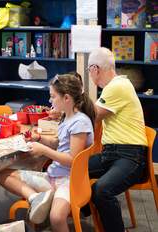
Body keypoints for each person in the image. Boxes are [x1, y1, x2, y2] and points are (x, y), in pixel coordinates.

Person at [0, 73, 95, 231]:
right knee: (3, 175)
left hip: (70, 181)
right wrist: (40, 139)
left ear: (67, 99)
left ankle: (42, 198)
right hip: (54, 177)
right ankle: (35, 198)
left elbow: (72, 160)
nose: (50, 101)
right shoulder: (67, 118)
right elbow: (59, 144)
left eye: (53, 97)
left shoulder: (80, 122)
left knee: (56, 217)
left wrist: (43, 150)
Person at [87, 47, 148, 232]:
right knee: (74, 170)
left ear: (95, 69)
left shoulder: (116, 87)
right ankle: (80, 212)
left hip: (130, 157)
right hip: (113, 154)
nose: (90, 74)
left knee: (102, 191)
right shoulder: (115, 86)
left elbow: (92, 116)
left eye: (89, 69)